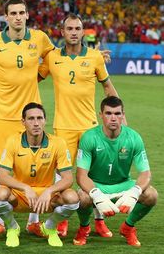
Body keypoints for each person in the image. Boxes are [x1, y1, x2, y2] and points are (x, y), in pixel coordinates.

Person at [37, 13, 120, 237]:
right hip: (63, 127)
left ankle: (99, 220)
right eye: (69, 28)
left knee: (95, 176)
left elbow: (108, 87)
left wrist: (120, 115)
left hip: (90, 127)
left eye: (77, 28)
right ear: (62, 33)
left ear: (83, 32)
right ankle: (63, 219)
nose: (73, 32)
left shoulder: (94, 58)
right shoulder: (52, 58)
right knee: (63, 177)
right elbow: (32, 78)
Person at [0, 0, 55, 237]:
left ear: (27, 15)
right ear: (6, 17)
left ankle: (34, 220)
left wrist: (38, 78)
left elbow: (53, 60)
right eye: (13, 13)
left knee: (36, 164)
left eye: (21, 13)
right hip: (2, 115)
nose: (18, 17)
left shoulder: (39, 38)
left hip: (32, 113)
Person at [73, 96, 157, 247]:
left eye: (117, 114)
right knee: (82, 197)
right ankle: (84, 227)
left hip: (123, 185)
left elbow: (146, 173)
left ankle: (128, 227)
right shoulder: (89, 137)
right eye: (108, 113)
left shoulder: (133, 137)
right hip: (97, 185)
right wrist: (96, 194)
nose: (113, 118)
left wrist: (135, 191)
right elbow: (81, 175)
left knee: (151, 195)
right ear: (101, 115)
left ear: (123, 115)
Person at [0, 102, 79, 247]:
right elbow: (2, 176)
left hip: (46, 197)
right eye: (31, 119)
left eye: (39, 118)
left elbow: (68, 178)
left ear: (45, 120)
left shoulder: (58, 143)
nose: (36, 123)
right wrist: (25, 188)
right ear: (23, 122)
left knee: (73, 198)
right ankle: (12, 227)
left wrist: (50, 190)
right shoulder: (13, 141)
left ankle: (49, 227)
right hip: (19, 196)